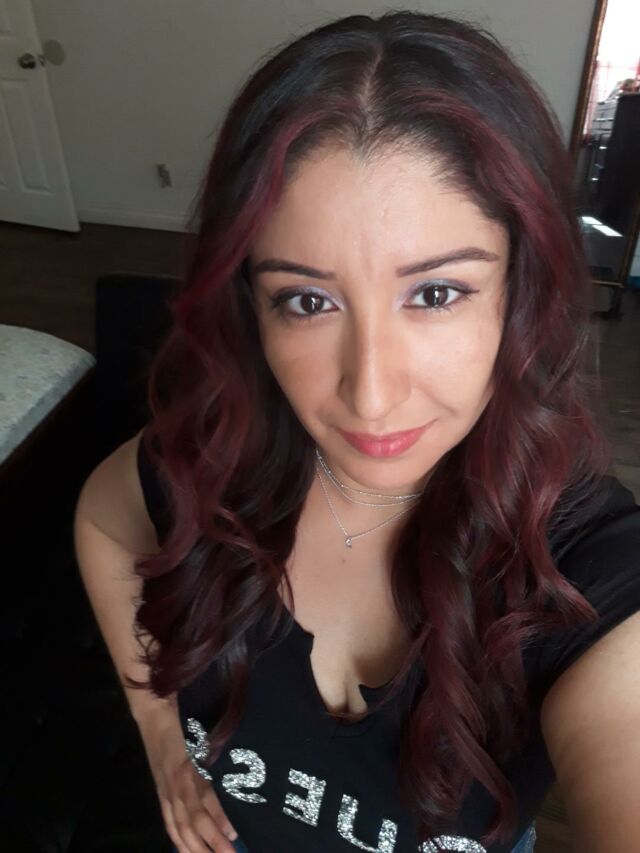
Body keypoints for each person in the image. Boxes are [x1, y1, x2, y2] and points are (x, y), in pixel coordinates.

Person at [73, 10, 640, 853]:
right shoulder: (214, 466)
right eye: (307, 301)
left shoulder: (588, 562)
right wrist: (161, 737)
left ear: (519, 291)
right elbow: (104, 517)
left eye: (435, 293)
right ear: (252, 309)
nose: (371, 395)